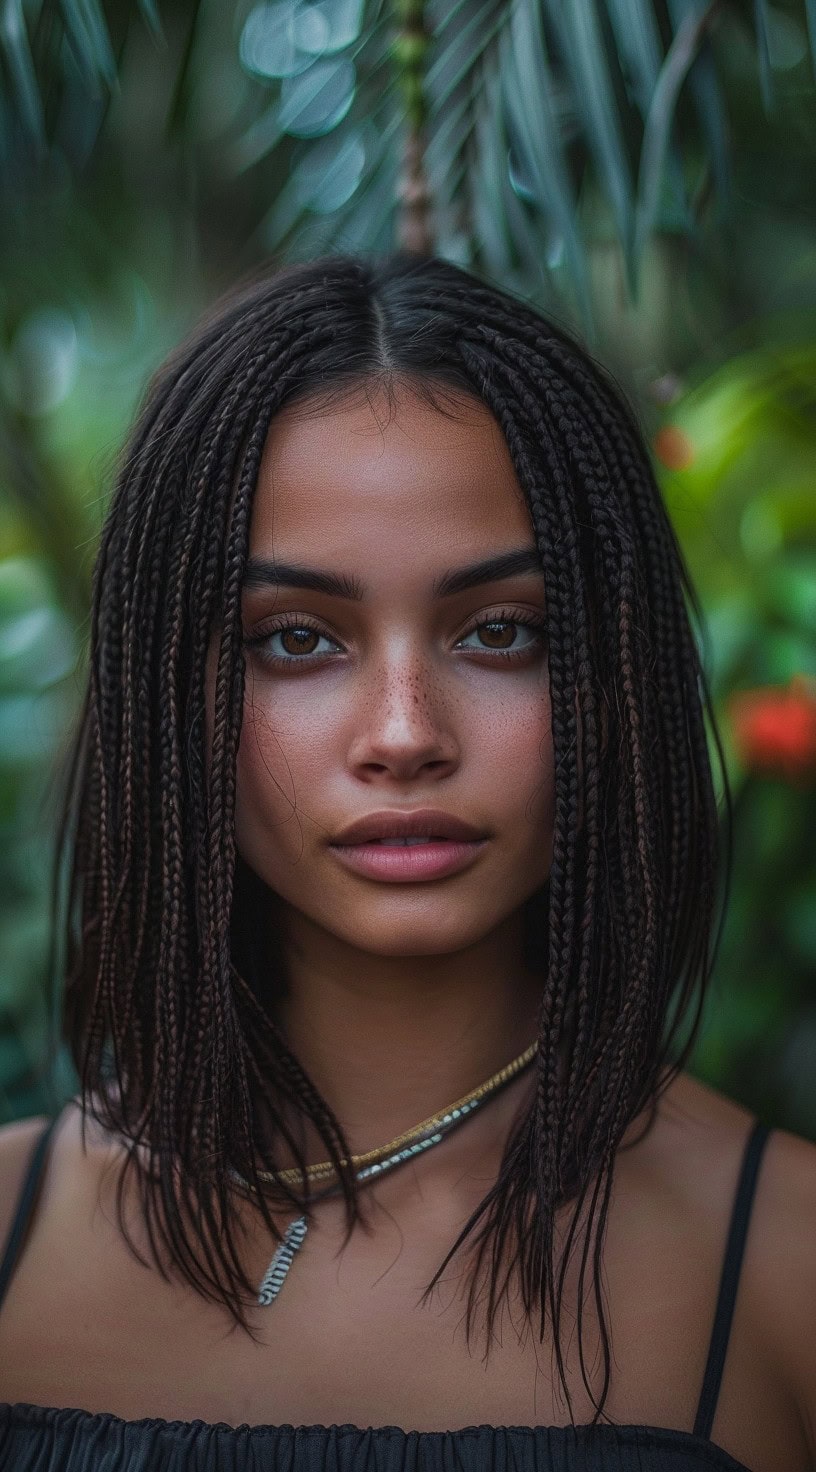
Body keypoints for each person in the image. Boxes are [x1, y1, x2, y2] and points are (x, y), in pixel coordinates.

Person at [0, 253, 813, 1472]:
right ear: (169, 690)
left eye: (501, 631)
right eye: (295, 639)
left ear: (609, 677)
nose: (403, 732)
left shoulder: (788, 1264)